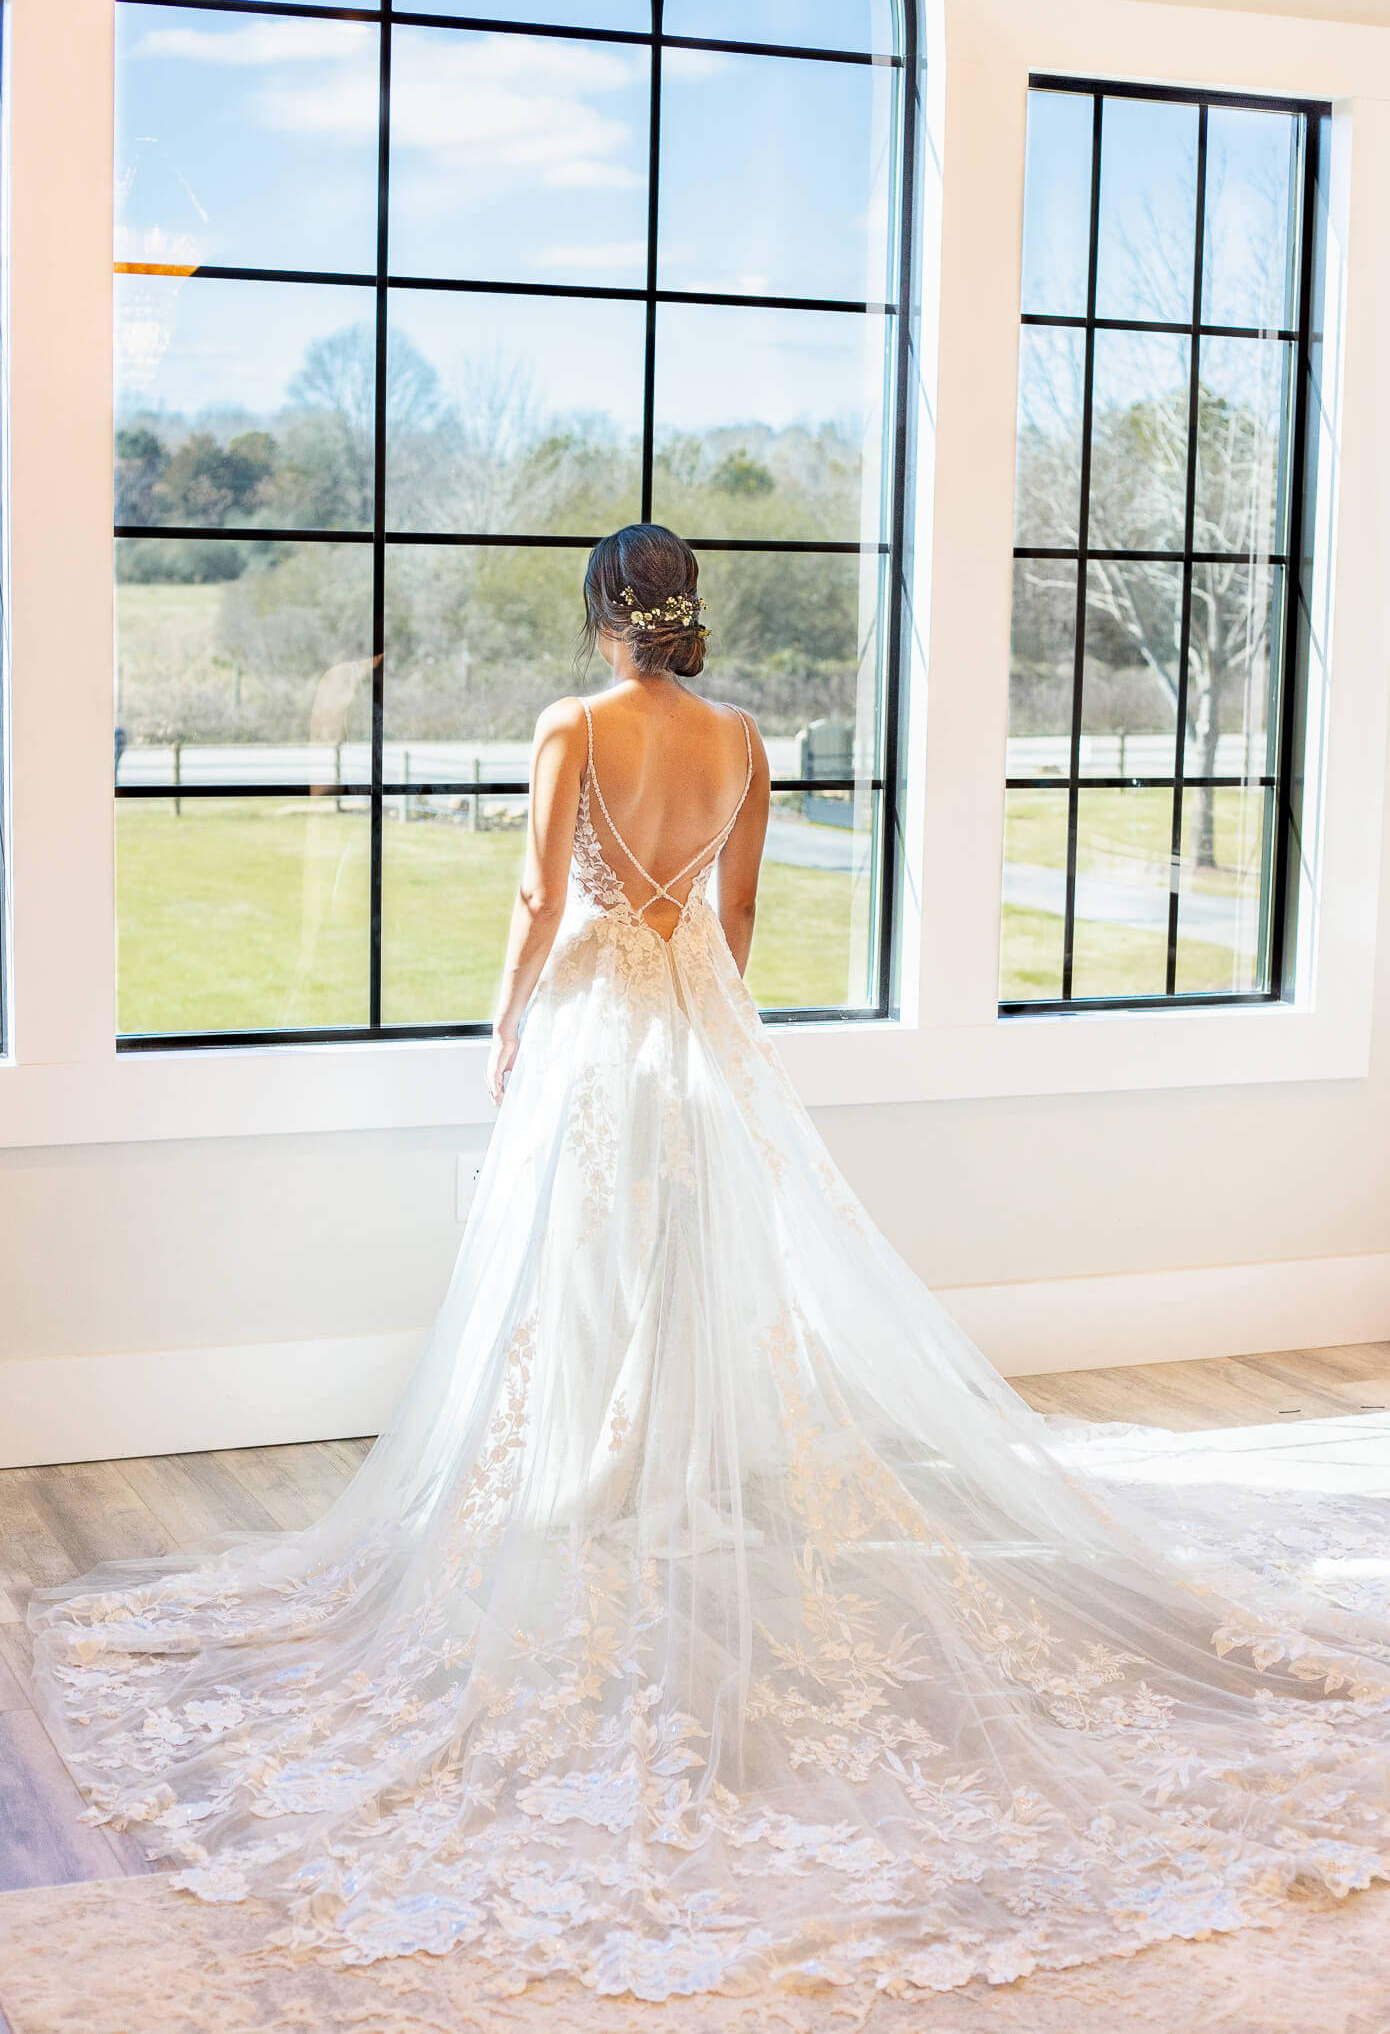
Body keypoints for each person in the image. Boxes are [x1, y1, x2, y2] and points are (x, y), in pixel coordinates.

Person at [28, 524, 1390, 2003]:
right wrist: (713, 1030)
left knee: (578, 1264)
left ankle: (588, 1478)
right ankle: (654, 1469)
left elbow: (539, 902)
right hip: (700, 1027)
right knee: (694, 1253)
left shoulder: (570, 725)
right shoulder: (741, 735)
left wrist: (503, 1026)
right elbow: (734, 917)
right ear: (685, 614)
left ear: (607, 614)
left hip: (598, 1031)